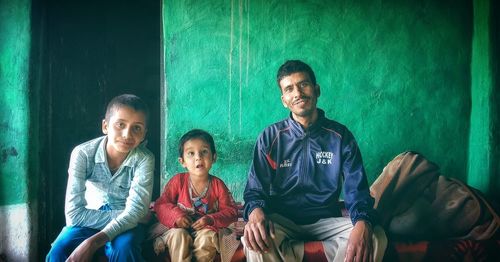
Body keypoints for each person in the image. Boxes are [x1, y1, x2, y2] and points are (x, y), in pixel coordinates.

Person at [242, 60, 387, 262]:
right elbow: (254, 190)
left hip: (327, 219)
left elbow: (357, 189)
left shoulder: (340, 136)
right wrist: (255, 211)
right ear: (284, 100)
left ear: (316, 90)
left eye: (303, 84)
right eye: (289, 89)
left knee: (375, 236)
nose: (298, 93)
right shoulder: (271, 137)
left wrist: (363, 221)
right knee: (255, 240)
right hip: (282, 220)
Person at [46, 94, 155, 261]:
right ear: (105, 126)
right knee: (60, 250)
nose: (127, 134)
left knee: (125, 248)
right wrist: (134, 215)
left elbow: (136, 211)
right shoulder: (83, 154)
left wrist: (92, 243)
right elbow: (74, 214)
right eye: (120, 125)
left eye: (137, 128)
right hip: (92, 217)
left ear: (144, 134)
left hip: (126, 226)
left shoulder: (144, 159)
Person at [153, 129, 238, 262]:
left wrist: (210, 219)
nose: (198, 157)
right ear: (182, 162)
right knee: (178, 236)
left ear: (214, 157)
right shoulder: (178, 181)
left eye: (204, 151)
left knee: (207, 237)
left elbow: (231, 211)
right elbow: (161, 204)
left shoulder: (217, 185)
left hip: (206, 229)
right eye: (191, 153)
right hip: (179, 228)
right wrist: (177, 216)